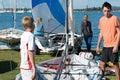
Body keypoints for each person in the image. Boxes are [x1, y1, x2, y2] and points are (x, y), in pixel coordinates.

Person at [96, 2, 120, 80]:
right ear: (102, 10)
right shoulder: (101, 20)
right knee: (102, 64)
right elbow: (101, 33)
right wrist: (98, 46)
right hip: (105, 45)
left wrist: (116, 45)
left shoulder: (115, 18)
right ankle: (102, 78)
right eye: (105, 11)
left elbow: (119, 32)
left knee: (115, 64)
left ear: (110, 10)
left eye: (108, 11)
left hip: (113, 45)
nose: (106, 12)